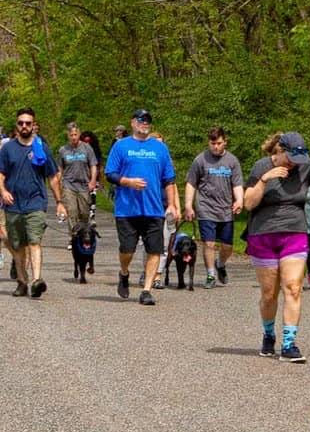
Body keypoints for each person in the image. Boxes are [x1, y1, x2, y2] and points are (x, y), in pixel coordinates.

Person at [242, 132, 310, 363]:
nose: (295, 164)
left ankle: (289, 344)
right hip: (263, 233)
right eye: (291, 158)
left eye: (299, 159)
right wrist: (265, 179)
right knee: (269, 294)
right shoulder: (261, 166)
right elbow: (248, 203)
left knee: (293, 287)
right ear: (280, 150)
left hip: (295, 232)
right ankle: (268, 335)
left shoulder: (306, 166)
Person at [103, 109, 179, 305]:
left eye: (147, 121)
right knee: (127, 250)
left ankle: (146, 290)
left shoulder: (160, 149)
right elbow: (110, 173)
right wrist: (128, 182)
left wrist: (171, 205)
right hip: (127, 209)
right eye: (141, 120)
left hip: (154, 208)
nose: (144, 123)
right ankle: (124, 272)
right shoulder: (121, 146)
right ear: (132, 123)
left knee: (155, 250)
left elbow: (169, 179)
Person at [0, 107, 60, 298]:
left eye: (28, 123)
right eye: (21, 123)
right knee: (18, 246)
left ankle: (37, 280)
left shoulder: (41, 148)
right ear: (17, 125)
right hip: (13, 204)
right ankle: (22, 281)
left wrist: (59, 201)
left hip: (35, 203)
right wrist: (3, 191)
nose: (24, 126)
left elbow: (53, 176)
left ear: (34, 125)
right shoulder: (8, 148)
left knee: (34, 242)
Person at [183, 127, 242, 288]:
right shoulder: (200, 160)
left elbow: (237, 184)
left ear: (225, 142)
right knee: (209, 243)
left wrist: (239, 200)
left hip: (225, 210)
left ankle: (220, 264)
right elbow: (191, 183)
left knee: (227, 246)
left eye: (219, 143)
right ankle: (210, 274)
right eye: (212, 143)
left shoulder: (232, 161)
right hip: (205, 207)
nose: (216, 146)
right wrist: (188, 205)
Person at [56, 122, 99, 279]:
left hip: (83, 185)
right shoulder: (63, 150)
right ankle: (73, 237)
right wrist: (59, 184)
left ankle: (84, 237)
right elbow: (59, 169)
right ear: (68, 136)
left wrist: (93, 180)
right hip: (68, 185)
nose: (73, 137)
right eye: (71, 135)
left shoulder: (87, 148)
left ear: (79, 134)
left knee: (84, 214)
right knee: (72, 212)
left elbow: (93, 165)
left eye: (75, 134)